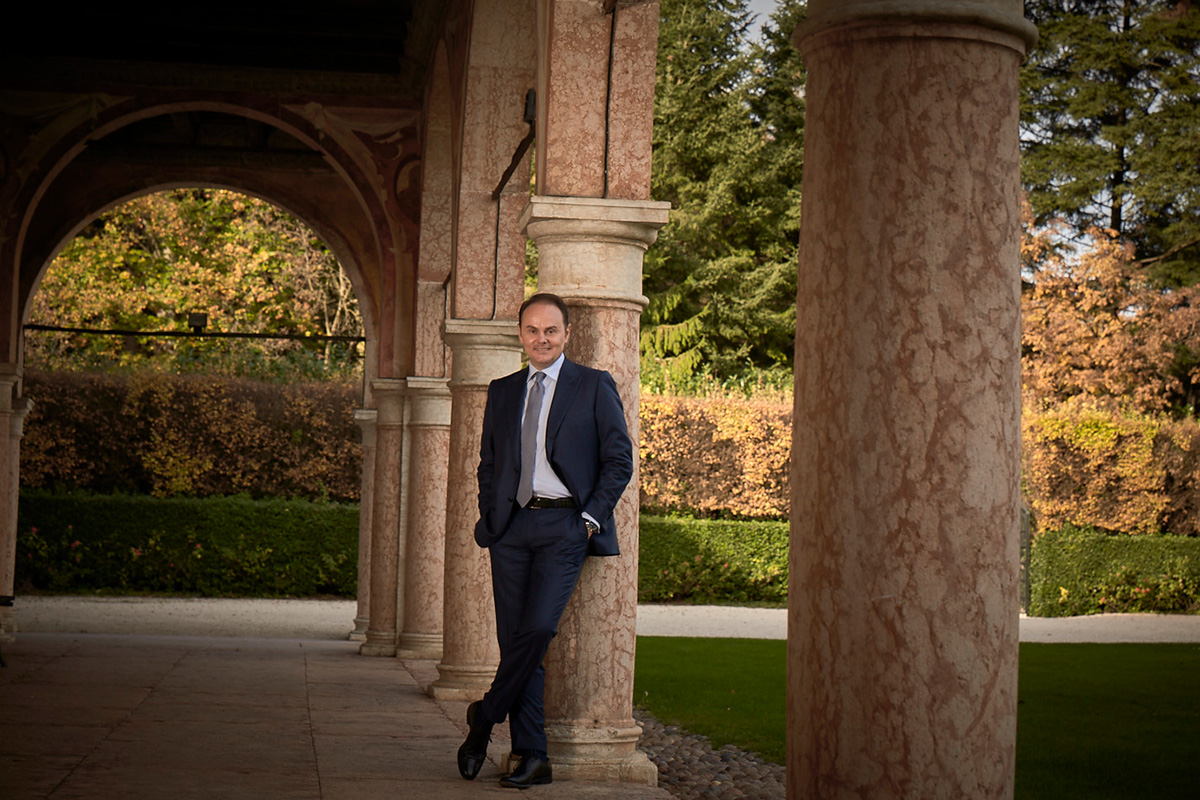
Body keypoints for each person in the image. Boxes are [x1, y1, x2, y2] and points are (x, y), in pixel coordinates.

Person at [457, 292, 633, 789]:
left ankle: (484, 719)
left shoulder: (594, 386)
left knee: (536, 632)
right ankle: (532, 754)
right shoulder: (503, 390)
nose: (541, 339)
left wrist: (590, 520)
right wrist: (491, 514)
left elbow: (619, 459)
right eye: (532, 330)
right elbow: (489, 462)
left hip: (564, 528)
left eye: (550, 330)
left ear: (567, 334)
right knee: (518, 642)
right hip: (511, 529)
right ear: (520, 334)